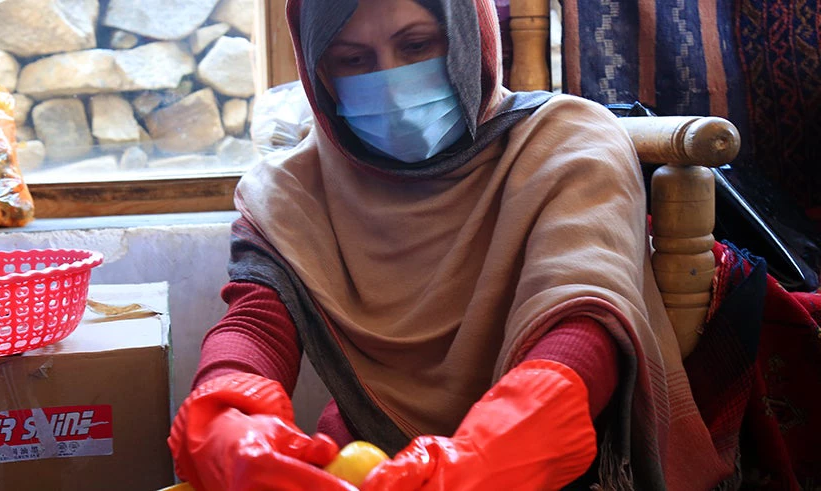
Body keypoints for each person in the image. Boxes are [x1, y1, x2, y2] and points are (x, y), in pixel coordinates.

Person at [167, 0, 734, 489]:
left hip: (553, 461)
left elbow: (582, 317)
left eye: (416, 44)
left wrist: (488, 457)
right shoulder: (290, 192)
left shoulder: (567, 143)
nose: (388, 82)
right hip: (370, 455)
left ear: (468, 36)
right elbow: (257, 323)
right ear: (320, 74)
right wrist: (227, 419)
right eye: (352, 60)